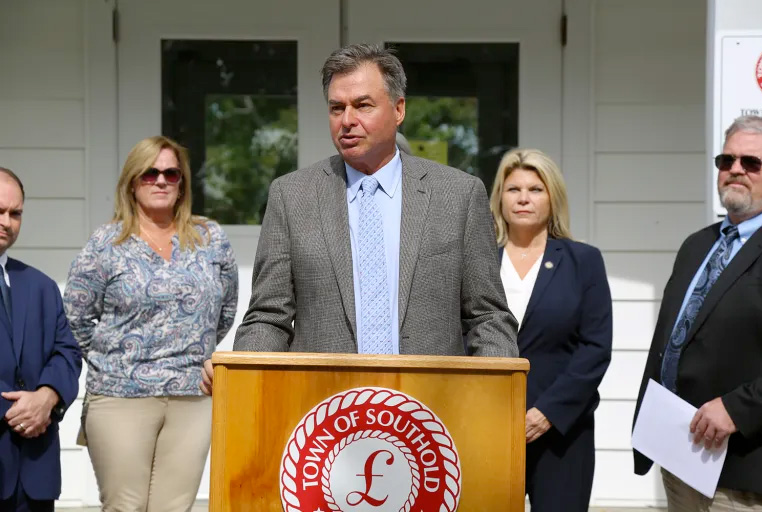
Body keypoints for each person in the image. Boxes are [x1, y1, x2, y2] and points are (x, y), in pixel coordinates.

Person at [201, 43, 516, 393]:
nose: (347, 120)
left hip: (429, 408)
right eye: (337, 108)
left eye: (363, 105)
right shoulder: (292, 196)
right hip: (324, 409)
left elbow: (488, 317)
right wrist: (242, 376)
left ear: (398, 109)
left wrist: (495, 398)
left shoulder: (458, 195)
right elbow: (268, 317)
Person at [63, 136, 238, 512]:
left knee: (174, 508)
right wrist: (116, 359)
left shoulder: (211, 239)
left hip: (192, 396)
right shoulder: (105, 243)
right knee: (125, 506)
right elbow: (76, 316)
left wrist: (191, 348)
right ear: (132, 182)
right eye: (149, 173)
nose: (160, 180)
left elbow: (225, 311)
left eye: (171, 173)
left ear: (182, 184)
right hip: (120, 396)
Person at [633, 115, 762, 510]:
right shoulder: (697, 245)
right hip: (681, 459)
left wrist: (737, 409)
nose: (735, 170)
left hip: (746, 469)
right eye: (726, 160)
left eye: (751, 162)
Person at [489, 149, 612, 511]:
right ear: (500, 198)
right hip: (489, 425)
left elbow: (595, 348)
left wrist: (546, 413)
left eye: (535, 189)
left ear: (552, 197)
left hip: (562, 430)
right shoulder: (479, 259)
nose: (523, 198)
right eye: (513, 189)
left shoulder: (583, 261)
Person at [0, 167, 82, 511]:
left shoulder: (42, 287)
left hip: (34, 473)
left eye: (15, 213)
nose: (6, 222)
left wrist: (48, 397)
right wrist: (18, 411)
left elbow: (68, 353)